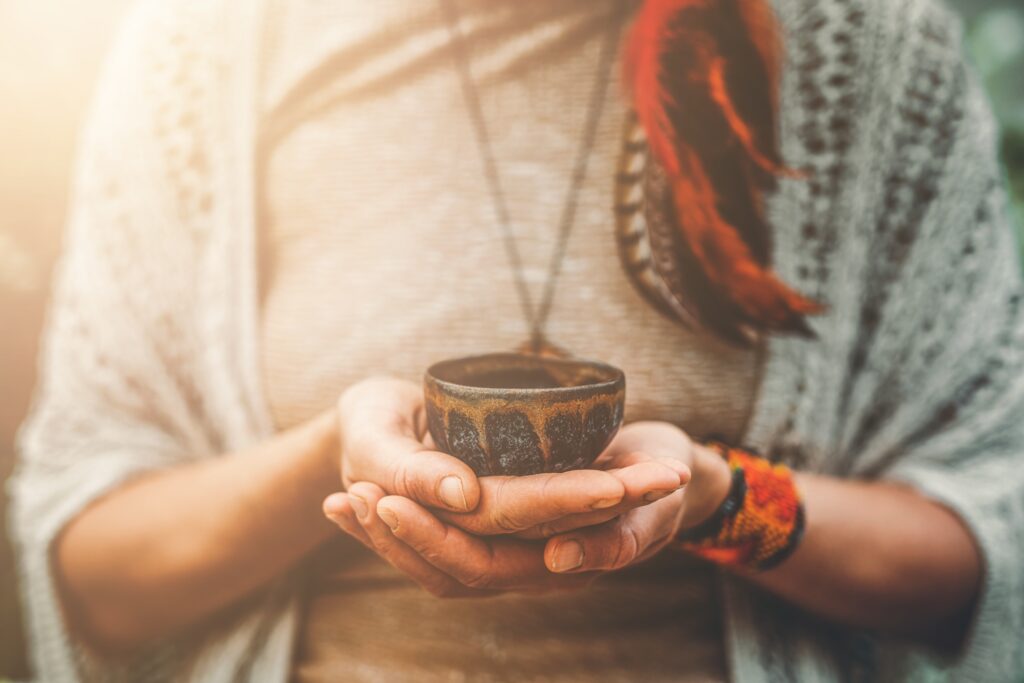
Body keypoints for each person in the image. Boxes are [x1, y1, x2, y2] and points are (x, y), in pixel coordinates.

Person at [9, 0, 1024, 681]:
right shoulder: (204, 46)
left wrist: (715, 497)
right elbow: (93, 561)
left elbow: (978, 550)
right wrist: (331, 461)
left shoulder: (861, 47)